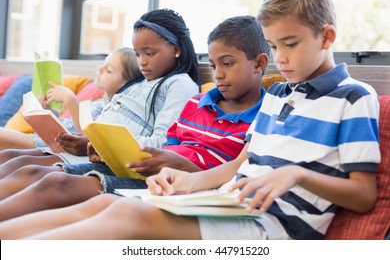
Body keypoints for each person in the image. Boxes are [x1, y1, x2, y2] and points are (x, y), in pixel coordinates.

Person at [0, 0, 381, 240]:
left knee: (129, 215)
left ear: (327, 36)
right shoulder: (279, 93)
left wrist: (296, 175)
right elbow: (239, 165)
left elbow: (363, 195)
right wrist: (188, 182)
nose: (282, 58)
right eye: (275, 46)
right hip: (230, 202)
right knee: (103, 203)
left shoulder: (353, 97)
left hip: (275, 227)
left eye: (291, 44)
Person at [0, 15, 269, 222]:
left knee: (56, 182)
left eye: (227, 63)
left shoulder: (266, 112)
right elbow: (169, 145)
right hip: (146, 171)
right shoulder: (197, 103)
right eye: (213, 65)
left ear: (259, 63)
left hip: (175, 184)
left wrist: (175, 164)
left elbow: (231, 170)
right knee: (31, 168)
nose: (218, 74)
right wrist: (106, 147)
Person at [0, 8, 200, 180]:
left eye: (149, 53)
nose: (142, 62)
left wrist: (97, 144)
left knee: (25, 168)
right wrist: (87, 140)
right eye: (138, 54)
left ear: (176, 49)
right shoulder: (139, 84)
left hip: (112, 162)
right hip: (93, 151)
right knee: (12, 157)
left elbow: (163, 143)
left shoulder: (180, 84)